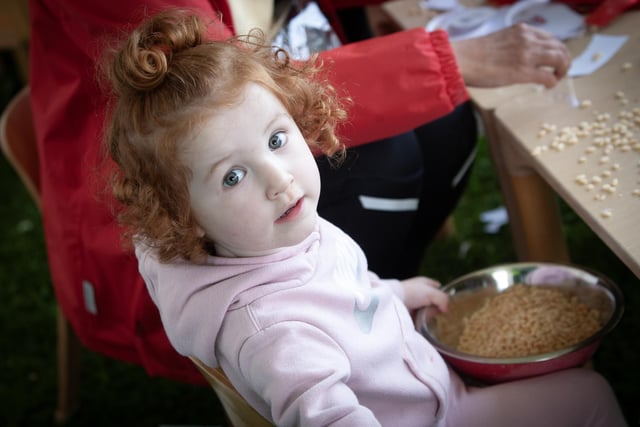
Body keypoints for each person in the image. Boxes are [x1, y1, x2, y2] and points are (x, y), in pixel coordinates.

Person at [102, 10, 626, 426]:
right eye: (232, 177)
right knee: (592, 393)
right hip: (443, 414)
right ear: (184, 215)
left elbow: (341, 291)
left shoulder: (269, 236)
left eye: (277, 140)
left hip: (427, 385)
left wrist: (393, 293)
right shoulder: (276, 337)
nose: (279, 178)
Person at [27, 0, 570, 382]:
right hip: (171, 202)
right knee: (390, 160)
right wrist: (450, 58)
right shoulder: (267, 331)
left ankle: (374, 316)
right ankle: (348, 350)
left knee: (446, 128)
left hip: (239, 141)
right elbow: (226, 98)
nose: (285, 181)